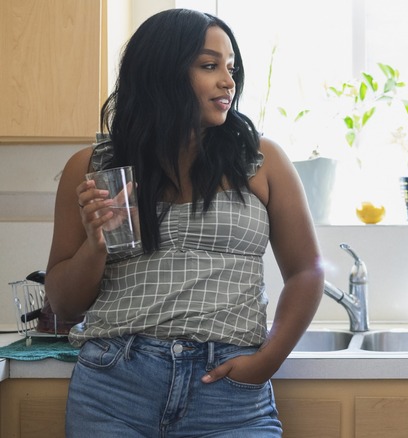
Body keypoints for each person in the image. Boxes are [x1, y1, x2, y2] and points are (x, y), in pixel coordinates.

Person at [44, 8, 323, 437]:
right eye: (209, 66)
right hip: (114, 388)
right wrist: (95, 244)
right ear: (162, 73)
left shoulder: (262, 161)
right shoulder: (93, 168)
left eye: (231, 67)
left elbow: (306, 272)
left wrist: (267, 361)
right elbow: (64, 304)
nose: (228, 81)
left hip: (228, 396)